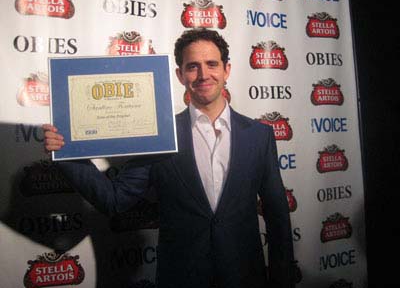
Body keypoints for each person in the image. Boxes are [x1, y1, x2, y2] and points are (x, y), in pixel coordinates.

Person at [43, 28, 295, 288]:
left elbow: (277, 216)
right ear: (180, 74)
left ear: (226, 70)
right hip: (181, 277)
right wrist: (67, 153)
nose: (203, 74)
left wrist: (283, 280)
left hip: (246, 277)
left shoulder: (259, 135)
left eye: (212, 64)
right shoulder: (159, 136)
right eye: (192, 66)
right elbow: (115, 200)